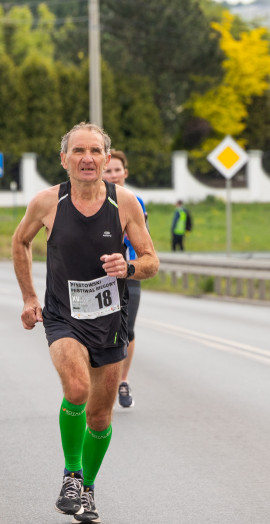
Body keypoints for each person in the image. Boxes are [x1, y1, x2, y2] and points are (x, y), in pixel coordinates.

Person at [12, 122, 158, 524]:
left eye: (95, 151)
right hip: (63, 317)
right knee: (76, 388)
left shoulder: (125, 203)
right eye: (78, 151)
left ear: (107, 159)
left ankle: (88, 489)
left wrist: (126, 266)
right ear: (64, 160)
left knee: (100, 415)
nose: (87, 159)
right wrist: (28, 297)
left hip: (110, 319)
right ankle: (72, 476)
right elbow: (20, 241)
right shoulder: (47, 203)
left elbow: (151, 261)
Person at [102, 149, 148, 408]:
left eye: (117, 170)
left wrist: (133, 264)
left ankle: (123, 380)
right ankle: (99, 381)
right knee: (100, 331)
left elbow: (146, 243)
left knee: (127, 330)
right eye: (108, 170)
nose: (113, 174)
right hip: (99, 275)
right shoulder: (93, 201)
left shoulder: (136, 202)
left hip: (129, 273)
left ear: (125, 173)